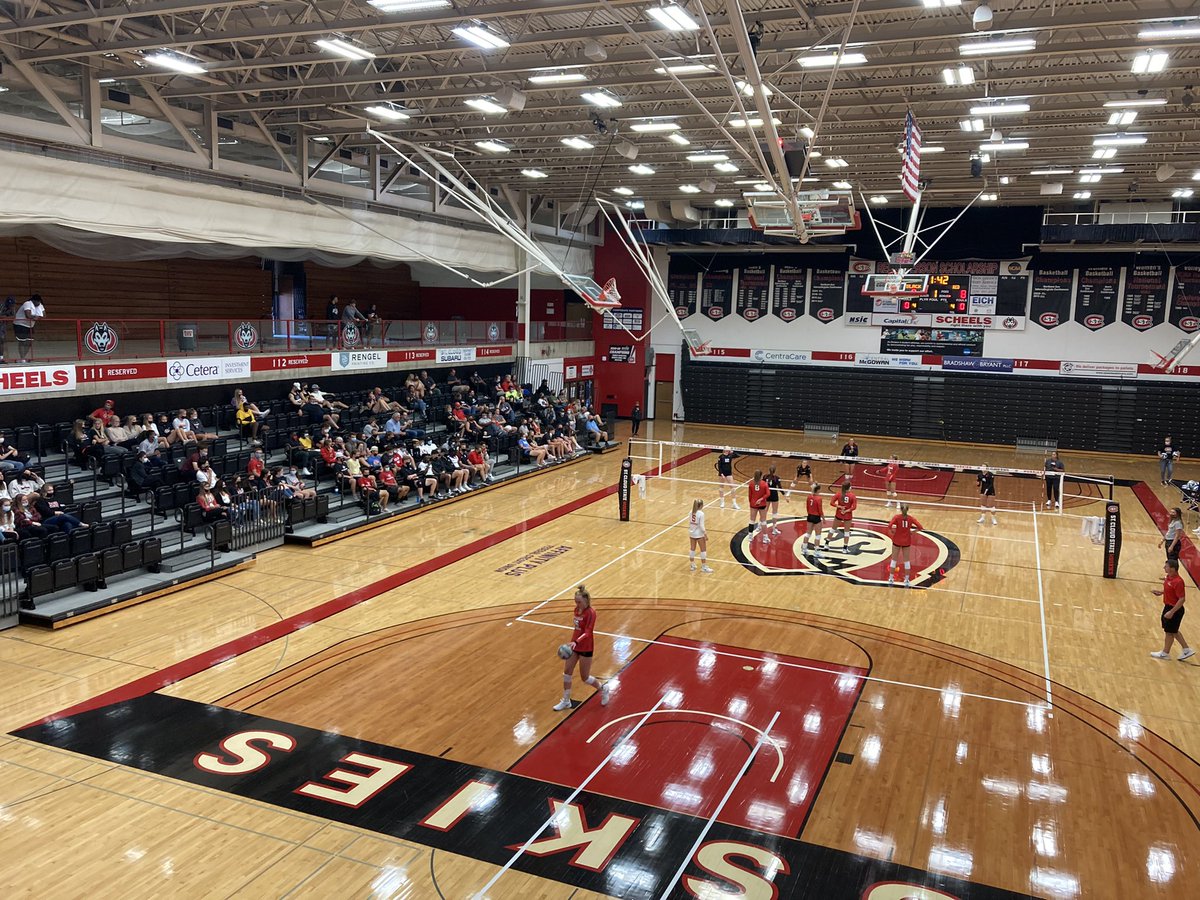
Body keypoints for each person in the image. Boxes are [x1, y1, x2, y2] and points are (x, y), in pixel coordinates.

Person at [553, 585, 611, 711]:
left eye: (579, 602)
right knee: (567, 673)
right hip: (574, 645)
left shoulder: (591, 613)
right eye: (576, 602)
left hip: (586, 646)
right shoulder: (576, 610)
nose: (577, 604)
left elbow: (588, 631)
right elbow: (577, 629)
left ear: (586, 600)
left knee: (584, 677)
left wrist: (576, 641)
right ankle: (566, 701)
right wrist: (572, 642)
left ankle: (603, 689)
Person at [1151, 559, 1194, 661]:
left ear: (1173, 569)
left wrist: (1172, 612)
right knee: (1172, 631)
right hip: (1168, 606)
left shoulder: (1178, 582)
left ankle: (1165, 653)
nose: (1164, 568)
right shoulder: (1168, 578)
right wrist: (1161, 592)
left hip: (1175, 609)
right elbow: (1169, 590)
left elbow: (1182, 599)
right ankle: (1186, 649)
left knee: (1170, 632)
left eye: (1166, 566)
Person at [887, 503, 923, 588]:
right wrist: (912, 532)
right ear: (907, 510)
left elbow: (889, 525)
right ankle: (906, 580)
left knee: (894, 560)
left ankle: (891, 578)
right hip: (906, 541)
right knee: (906, 561)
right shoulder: (911, 518)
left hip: (897, 540)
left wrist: (892, 531)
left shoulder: (897, 517)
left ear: (901, 509)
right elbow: (920, 527)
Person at [825, 481, 857, 553]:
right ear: (849, 487)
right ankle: (845, 548)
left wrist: (839, 506)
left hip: (839, 514)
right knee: (846, 532)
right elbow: (854, 507)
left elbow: (831, 503)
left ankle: (826, 544)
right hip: (848, 515)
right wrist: (846, 511)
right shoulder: (852, 496)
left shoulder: (838, 494)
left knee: (833, 529)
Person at [14, 293, 45, 361]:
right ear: (33, 300)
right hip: (20, 324)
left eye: (40, 302)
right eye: (38, 302)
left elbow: (44, 315)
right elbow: (28, 315)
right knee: (22, 341)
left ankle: (23, 357)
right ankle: (22, 359)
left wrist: (37, 317)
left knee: (29, 342)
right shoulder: (27, 303)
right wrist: (36, 317)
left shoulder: (40, 305)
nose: (38, 303)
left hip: (30, 326)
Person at [800, 482, 825, 558]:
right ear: (818, 490)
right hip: (816, 517)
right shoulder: (819, 498)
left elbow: (807, 507)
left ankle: (804, 548)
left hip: (810, 516)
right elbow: (820, 510)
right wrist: (823, 518)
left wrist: (809, 513)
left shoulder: (809, 497)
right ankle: (816, 551)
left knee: (808, 533)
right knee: (818, 535)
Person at [687, 498, 712, 573]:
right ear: (701, 505)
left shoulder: (690, 512)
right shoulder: (701, 513)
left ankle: (692, 564)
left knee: (692, 549)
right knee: (703, 550)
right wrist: (705, 534)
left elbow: (690, 522)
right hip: (699, 534)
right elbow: (701, 526)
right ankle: (704, 567)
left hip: (691, 533)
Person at [747, 469, 771, 543]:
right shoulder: (764, 484)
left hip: (753, 504)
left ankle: (750, 537)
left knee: (752, 520)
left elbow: (749, 495)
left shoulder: (751, 484)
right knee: (763, 521)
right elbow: (768, 494)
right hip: (762, 504)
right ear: (761, 476)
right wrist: (761, 499)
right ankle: (765, 538)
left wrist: (751, 503)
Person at [764, 463, 785, 535]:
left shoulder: (765, 476)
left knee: (764, 511)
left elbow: (762, 485)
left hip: (767, 495)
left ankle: (761, 526)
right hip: (774, 496)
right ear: (775, 471)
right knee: (774, 512)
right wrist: (785, 495)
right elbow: (780, 488)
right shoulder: (777, 478)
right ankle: (774, 529)